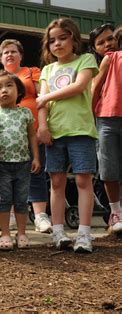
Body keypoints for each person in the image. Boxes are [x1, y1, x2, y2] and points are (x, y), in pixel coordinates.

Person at [37, 18, 99, 253]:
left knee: (84, 180)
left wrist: (46, 98)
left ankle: (84, 233)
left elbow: (80, 86)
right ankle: (58, 231)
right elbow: (41, 104)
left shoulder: (86, 60)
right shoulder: (47, 70)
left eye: (63, 38)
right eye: (52, 40)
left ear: (74, 39)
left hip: (81, 130)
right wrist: (42, 127)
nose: (57, 43)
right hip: (55, 132)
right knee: (56, 182)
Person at [0, 39, 52, 234]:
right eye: (5, 52)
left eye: (13, 51)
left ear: (21, 55)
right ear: (0, 58)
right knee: (4, 179)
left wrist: (43, 126)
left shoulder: (31, 72)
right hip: (1, 139)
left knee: (35, 174)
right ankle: (11, 215)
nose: (10, 55)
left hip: (30, 132)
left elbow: (42, 98)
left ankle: (40, 215)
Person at [0, 72, 40, 250]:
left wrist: (36, 157)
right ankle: (4, 234)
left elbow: (32, 136)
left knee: (21, 200)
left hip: (23, 163)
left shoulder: (25, 113)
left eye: (9, 86)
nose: (4, 90)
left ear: (19, 91)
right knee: (4, 199)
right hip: (1, 164)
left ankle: (22, 232)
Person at [91, 25, 122, 234]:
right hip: (107, 118)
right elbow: (94, 88)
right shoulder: (109, 59)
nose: (107, 44)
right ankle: (115, 212)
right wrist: (89, 117)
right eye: (101, 42)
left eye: (110, 39)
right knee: (108, 168)